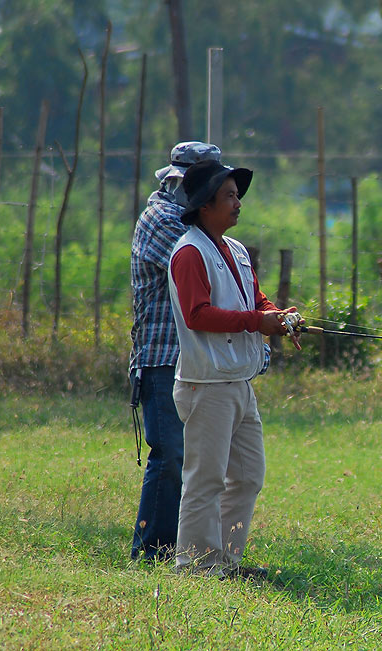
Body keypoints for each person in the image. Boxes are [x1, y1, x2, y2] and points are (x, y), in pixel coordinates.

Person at [168, 159, 300, 577]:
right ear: (206, 204)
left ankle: (226, 561)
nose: (238, 203)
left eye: (237, 194)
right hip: (206, 383)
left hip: (239, 381)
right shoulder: (189, 253)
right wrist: (256, 322)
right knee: (205, 479)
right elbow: (197, 314)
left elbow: (256, 300)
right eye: (229, 195)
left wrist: (276, 316)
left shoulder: (237, 251)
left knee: (246, 477)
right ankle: (195, 566)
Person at [129, 141, 223, 562]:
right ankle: (152, 552)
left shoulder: (194, 226)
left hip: (194, 359)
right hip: (164, 356)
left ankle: (190, 550)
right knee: (170, 456)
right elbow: (208, 267)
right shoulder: (165, 222)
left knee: (196, 459)